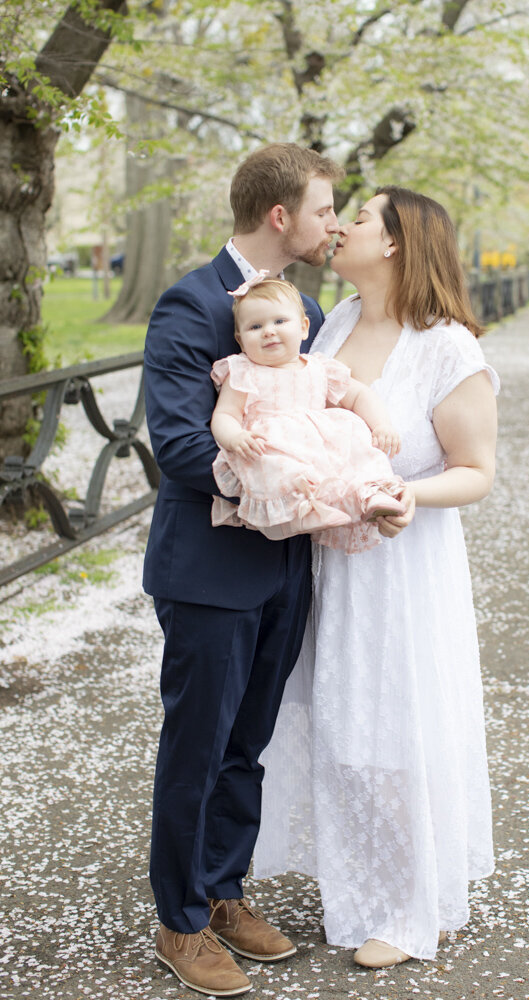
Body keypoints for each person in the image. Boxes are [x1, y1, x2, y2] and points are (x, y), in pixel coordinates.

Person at [254, 186, 499, 969]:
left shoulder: (447, 346)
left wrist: (408, 495)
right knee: (344, 722)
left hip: (404, 567)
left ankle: (408, 901)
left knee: (399, 724)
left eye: (358, 216)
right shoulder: (335, 322)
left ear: (394, 243)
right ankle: (364, 879)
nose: (341, 227)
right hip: (331, 562)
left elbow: (476, 471)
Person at [142, 143, 343, 998]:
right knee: (198, 745)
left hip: (285, 567)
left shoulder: (306, 305)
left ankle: (224, 890)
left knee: (246, 743)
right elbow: (182, 443)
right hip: (210, 568)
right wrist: (283, 482)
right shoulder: (189, 304)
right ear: (278, 216)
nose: (332, 223)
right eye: (324, 209)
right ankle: (179, 923)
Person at [210, 276, 406, 552]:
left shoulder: (321, 368)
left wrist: (381, 424)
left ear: (303, 328)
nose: (268, 331)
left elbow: (359, 394)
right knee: (273, 463)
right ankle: (303, 507)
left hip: (317, 448)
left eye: (279, 322)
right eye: (255, 326)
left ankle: (368, 495)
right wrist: (235, 437)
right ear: (240, 340)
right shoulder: (243, 371)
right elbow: (225, 415)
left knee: (356, 443)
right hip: (272, 447)